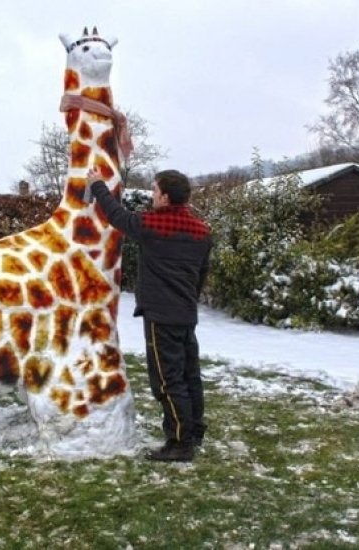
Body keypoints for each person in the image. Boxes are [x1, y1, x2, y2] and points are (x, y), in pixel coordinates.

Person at [86, 167, 212, 462]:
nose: (152, 195)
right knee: (189, 374)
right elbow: (201, 275)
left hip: (160, 316)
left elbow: (116, 216)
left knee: (168, 380)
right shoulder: (202, 232)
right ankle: (194, 430)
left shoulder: (153, 226)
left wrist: (98, 186)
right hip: (185, 313)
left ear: (166, 197)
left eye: (155, 190)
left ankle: (180, 442)